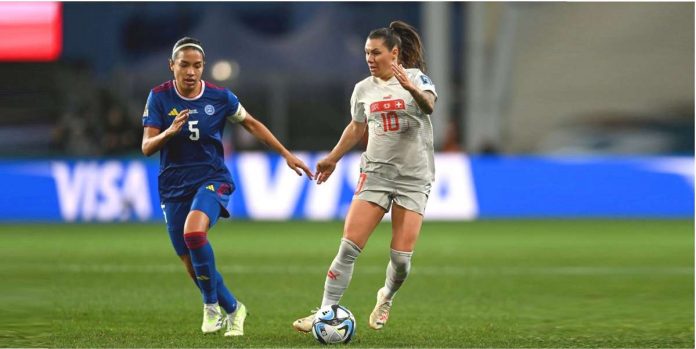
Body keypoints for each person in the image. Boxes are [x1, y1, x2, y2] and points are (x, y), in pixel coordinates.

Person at [142, 37, 313, 336]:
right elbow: (146, 146)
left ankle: (210, 308)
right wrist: (168, 132)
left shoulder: (220, 98)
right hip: (173, 187)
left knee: (194, 233)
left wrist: (285, 153)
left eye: (197, 66)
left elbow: (252, 124)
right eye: (184, 65)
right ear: (172, 66)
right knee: (192, 264)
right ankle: (234, 308)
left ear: (203, 67)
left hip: (212, 179)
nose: (191, 72)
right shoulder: (159, 97)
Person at [292, 20, 437, 332]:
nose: (370, 59)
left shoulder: (416, 78)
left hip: (413, 178)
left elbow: (429, 107)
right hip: (375, 174)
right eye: (366, 53)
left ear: (394, 53)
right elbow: (357, 126)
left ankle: (386, 295)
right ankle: (325, 311)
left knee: (400, 260)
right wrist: (332, 157)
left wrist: (412, 89)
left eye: (376, 53)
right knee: (348, 248)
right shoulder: (363, 89)